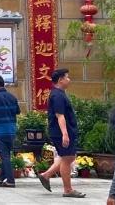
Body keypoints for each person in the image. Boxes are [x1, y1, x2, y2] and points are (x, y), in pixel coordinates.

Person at [36, 68, 85, 198]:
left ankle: (46, 175)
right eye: (67, 77)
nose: (69, 80)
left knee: (67, 157)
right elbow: (60, 116)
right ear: (60, 80)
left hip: (63, 131)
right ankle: (68, 189)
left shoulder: (59, 93)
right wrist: (65, 134)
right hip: (60, 132)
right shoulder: (57, 95)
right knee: (68, 158)